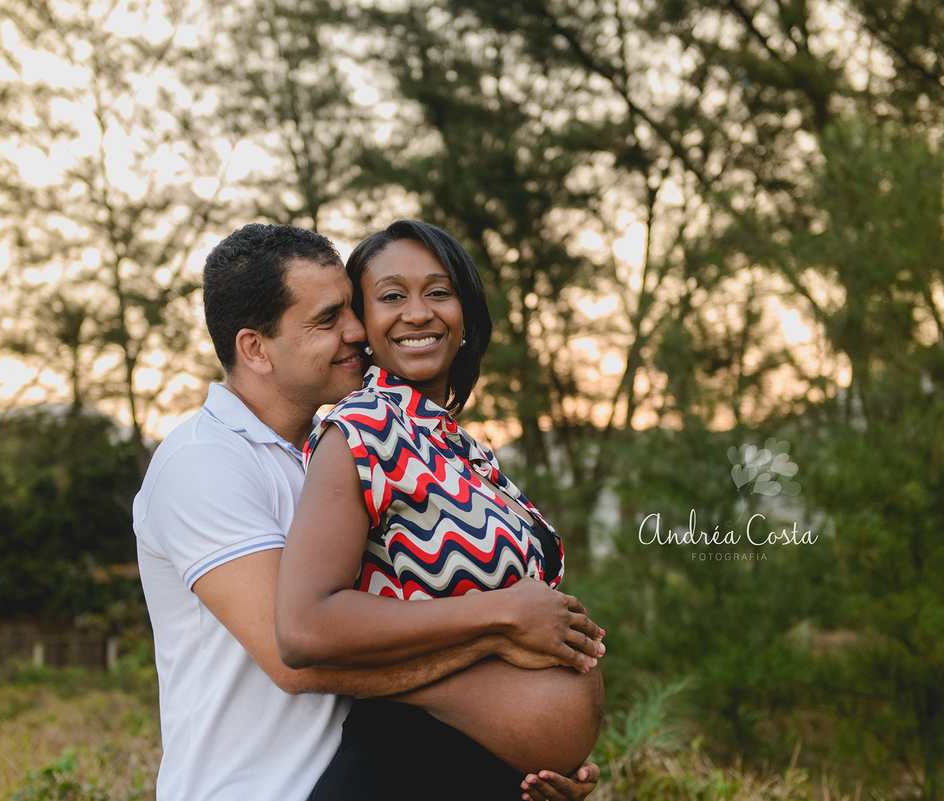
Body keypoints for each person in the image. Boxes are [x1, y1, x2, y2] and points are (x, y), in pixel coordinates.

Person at [134, 223, 602, 801]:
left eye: (352, 309)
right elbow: (298, 658)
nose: (356, 331)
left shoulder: (352, 447)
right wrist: (499, 632)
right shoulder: (204, 462)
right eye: (328, 319)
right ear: (255, 349)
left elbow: (402, 618)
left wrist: (512, 752)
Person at [276, 220, 606, 800]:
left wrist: (555, 751)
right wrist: (500, 614)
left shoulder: (459, 447)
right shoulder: (361, 429)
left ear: (465, 312)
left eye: (438, 291)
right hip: (406, 768)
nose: (418, 313)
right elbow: (306, 624)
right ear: (362, 324)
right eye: (391, 296)